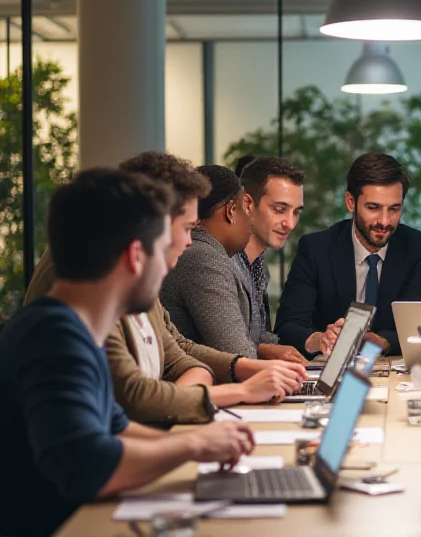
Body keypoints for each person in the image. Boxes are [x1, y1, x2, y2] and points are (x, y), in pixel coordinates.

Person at [0, 169, 255, 537]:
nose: (174, 259)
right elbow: (89, 466)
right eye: (163, 244)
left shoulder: (70, 329)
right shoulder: (54, 339)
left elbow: (115, 428)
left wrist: (201, 447)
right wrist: (194, 444)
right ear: (136, 256)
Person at [25, 153, 306, 426]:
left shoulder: (134, 280)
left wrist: (187, 398)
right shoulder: (93, 283)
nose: (188, 241)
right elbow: (134, 401)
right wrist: (235, 391)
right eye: (186, 227)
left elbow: (177, 353)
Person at [275, 152, 421, 357]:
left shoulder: (419, 248)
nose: (385, 221)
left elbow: (417, 328)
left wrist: (381, 342)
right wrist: (319, 339)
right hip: (330, 371)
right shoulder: (316, 248)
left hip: (394, 371)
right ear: (351, 202)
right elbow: (287, 326)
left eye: (394, 209)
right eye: (373, 208)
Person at [160, 165, 266, 359]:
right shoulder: (203, 258)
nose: (250, 219)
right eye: (245, 207)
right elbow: (237, 353)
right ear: (232, 210)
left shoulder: (211, 254)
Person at [234, 157, 306, 364]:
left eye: (296, 212)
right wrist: (267, 350)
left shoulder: (256, 262)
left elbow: (258, 335)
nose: (290, 224)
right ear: (247, 204)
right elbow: (232, 350)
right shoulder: (223, 259)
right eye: (280, 210)